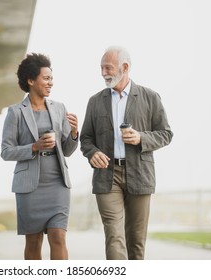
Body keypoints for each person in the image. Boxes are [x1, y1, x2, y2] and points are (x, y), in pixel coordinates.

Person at [80, 46, 173, 260]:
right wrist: (91, 152)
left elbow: (166, 134)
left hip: (140, 174)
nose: (104, 73)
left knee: (136, 241)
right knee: (114, 236)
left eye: (108, 68)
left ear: (125, 67)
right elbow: (86, 138)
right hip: (106, 175)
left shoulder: (150, 97)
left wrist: (141, 138)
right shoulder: (95, 101)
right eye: (101, 68)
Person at [1, 53, 79, 260]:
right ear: (30, 80)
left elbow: (68, 151)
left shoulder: (59, 108)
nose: (50, 83)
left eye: (51, 78)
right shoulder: (15, 112)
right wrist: (33, 147)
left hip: (58, 183)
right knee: (33, 241)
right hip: (29, 186)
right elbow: (6, 151)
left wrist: (73, 133)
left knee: (58, 238)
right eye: (46, 78)